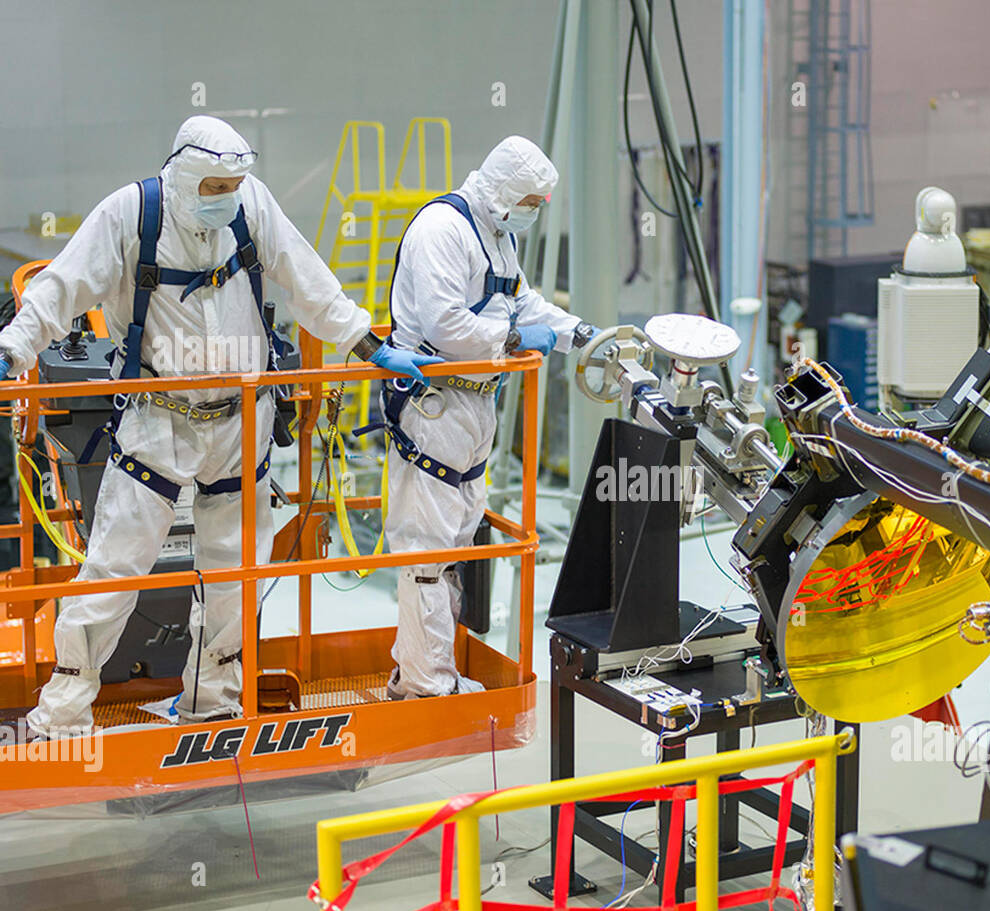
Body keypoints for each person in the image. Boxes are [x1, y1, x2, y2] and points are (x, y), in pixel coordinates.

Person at [0, 115, 385, 737]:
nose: (225, 196)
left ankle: (213, 704)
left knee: (234, 574)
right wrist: (13, 348)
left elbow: (305, 277)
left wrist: (364, 341)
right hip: (159, 423)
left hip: (244, 424)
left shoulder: (250, 205)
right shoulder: (130, 215)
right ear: (180, 174)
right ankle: (61, 717)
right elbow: (60, 289)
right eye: (212, 186)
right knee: (116, 567)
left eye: (234, 183)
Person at [377, 135, 599, 699]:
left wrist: (580, 335)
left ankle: (420, 671)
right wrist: (520, 338)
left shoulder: (497, 236)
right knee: (428, 553)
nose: (533, 212)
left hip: (475, 405)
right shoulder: (443, 230)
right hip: (434, 405)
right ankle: (429, 687)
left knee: (455, 545)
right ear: (503, 190)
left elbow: (521, 303)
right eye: (530, 201)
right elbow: (448, 325)